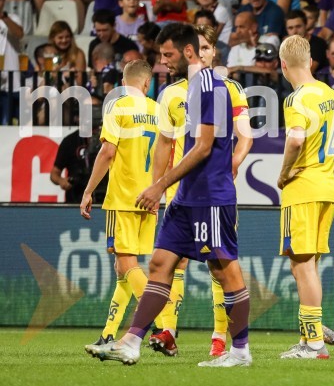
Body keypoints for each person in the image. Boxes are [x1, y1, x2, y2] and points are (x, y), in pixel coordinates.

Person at [87, 24, 253, 367]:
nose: (162, 62)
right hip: (184, 196)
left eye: (168, 55)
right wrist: (160, 187)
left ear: (188, 52)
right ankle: (132, 341)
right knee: (160, 263)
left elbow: (204, 147)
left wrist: (159, 185)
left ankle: (239, 351)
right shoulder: (179, 90)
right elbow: (166, 142)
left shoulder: (210, 87)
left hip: (210, 196)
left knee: (226, 273)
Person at [147, 23, 253, 357]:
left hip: (212, 188)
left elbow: (245, 134)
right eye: (200, 48)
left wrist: (233, 163)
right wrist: (156, 186)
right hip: (180, 190)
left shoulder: (228, 88)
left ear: (210, 52)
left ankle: (222, 339)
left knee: (218, 265)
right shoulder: (172, 93)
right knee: (170, 263)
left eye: (208, 48)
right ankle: (168, 330)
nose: (203, 53)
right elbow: (164, 143)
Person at [277, 34, 334, 359]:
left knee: (303, 264)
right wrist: (333, 166)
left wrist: (284, 173)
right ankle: (308, 338)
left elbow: (295, 140)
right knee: (307, 265)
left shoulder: (296, 99)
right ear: (310, 61)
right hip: (327, 187)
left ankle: (313, 344)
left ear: (284, 65)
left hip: (302, 189)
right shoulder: (327, 92)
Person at [79, 60, 160, 346]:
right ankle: (108, 333)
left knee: (127, 263)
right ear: (147, 84)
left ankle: (160, 324)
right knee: (123, 267)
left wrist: (89, 190)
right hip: (149, 198)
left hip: (124, 197)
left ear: (124, 83)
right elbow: (167, 156)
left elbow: (107, 152)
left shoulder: (119, 107)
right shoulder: (158, 110)